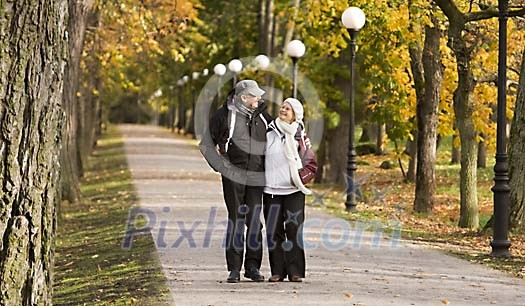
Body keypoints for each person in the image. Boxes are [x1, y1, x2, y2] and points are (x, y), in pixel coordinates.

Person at [199, 79, 272, 283]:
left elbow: (278, 138)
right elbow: (206, 145)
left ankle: (253, 267)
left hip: (257, 176)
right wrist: (222, 167)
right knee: (237, 220)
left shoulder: (263, 117)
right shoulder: (224, 116)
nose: (259, 98)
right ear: (243, 97)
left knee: (255, 222)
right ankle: (234, 269)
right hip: (234, 176)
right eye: (255, 95)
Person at [263, 98, 317, 282]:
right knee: (274, 231)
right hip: (270, 189)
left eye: (288, 108)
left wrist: (299, 179)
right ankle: (277, 271)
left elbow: (311, 163)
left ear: (295, 115)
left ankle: (295, 271)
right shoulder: (269, 131)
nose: (283, 110)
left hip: (294, 190)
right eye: (282, 107)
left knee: (293, 229)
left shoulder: (300, 135)